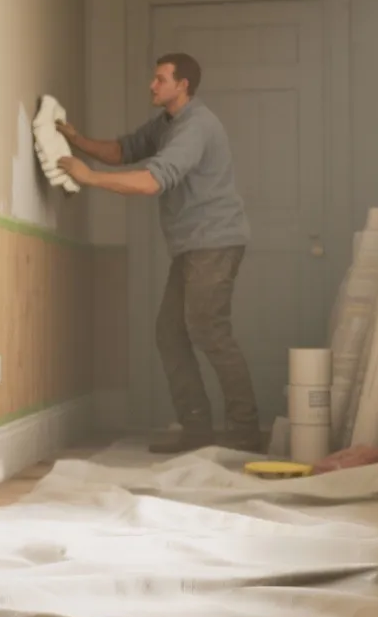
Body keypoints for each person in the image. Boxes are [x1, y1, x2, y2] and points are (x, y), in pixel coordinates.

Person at [57, 53, 261, 454]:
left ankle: (244, 432)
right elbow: (125, 149)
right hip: (193, 245)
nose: (152, 85)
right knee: (170, 333)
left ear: (182, 85)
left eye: (160, 79)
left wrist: (89, 177)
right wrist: (77, 141)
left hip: (214, 241)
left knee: (210, 332)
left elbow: (153, 181)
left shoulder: (195, 127)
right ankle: (197, 430)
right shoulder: (168, 124)